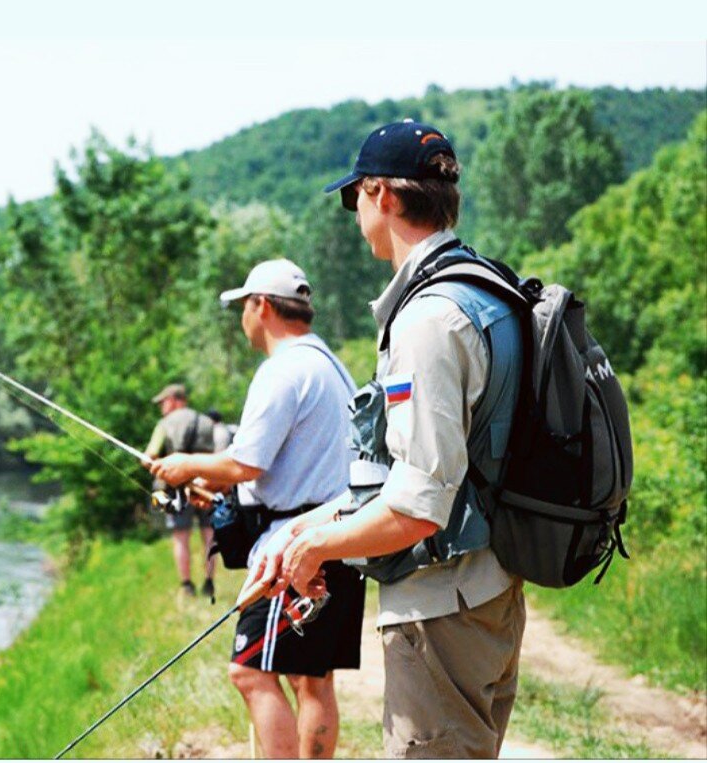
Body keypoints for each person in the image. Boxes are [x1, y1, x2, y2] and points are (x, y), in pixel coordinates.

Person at [249, 120, 527, 758]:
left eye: (355, 198)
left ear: (384, 195)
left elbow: (417, 507)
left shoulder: (429, 319)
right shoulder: (490, 290)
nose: (354, 214)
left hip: (441, 606)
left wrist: (315, 547)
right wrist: (306, 529)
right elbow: (426, 471)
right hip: (490, 587)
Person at [148, 259, 365, 759]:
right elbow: (287, 465)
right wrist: (220, 488)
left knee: (248, 671)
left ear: (261, 306)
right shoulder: (331, 365)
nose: (242, 318)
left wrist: (183, 465)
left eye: (242, 307)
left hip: (292, 551)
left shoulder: (283, 369)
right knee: (312, 679)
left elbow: (247, 462)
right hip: (342, 536)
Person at [144, 383, 217, 601]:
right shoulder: (205, 421)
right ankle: (209, 582)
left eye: (163, 402)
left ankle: (186, 585)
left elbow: (150, 456)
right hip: (206, 486)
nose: (161, 408)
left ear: (175, 400)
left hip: (175, 490)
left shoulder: (164, 424)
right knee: (209, 535)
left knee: (181, 537)